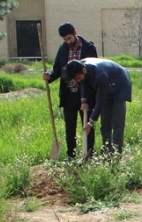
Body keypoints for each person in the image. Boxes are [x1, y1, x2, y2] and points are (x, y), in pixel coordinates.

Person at [43, 23, 98, 160]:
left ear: (75, 32)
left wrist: (87, 97)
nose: (68, 42)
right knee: (70, 126)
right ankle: (71, 154)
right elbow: (57, 69)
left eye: (69, 38)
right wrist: (49, 76)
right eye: (65, 39)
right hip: (69, 94)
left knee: (87, 124)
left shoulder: (88, 47)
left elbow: (93, 70)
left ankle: (89, 154)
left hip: (85, 94)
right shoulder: (62, 49)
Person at [64, 58, 132, 155]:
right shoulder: (81, 66)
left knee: (117, 124)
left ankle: (117, 154)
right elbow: (83, 82)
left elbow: (100, 102)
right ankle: (107, 153)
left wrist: (90, 123)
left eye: (79, 78)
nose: (78, 81)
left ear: (83, 70)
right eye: (76, 79)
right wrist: (83, 100)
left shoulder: (99, 75)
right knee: (105, 124)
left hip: (120, 83)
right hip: (108, 83)